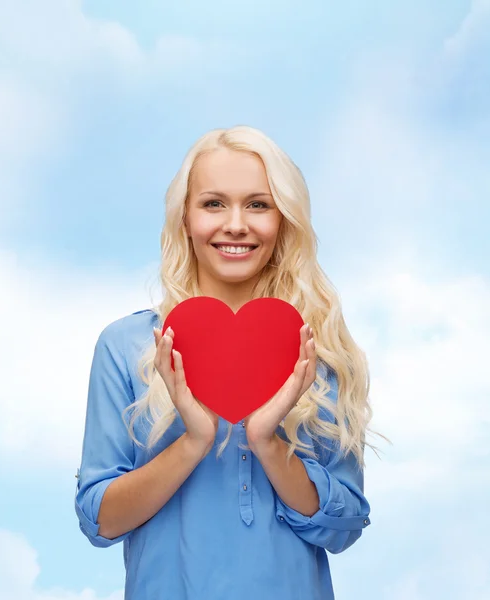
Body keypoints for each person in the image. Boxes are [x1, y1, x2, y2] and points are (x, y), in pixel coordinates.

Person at [75, 125, 379, 599]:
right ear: (185, 219)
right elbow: (100, 520)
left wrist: (266, 442)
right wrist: (196, 440)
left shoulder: (317, 350)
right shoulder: (126, 346)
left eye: (258, 204)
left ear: (283, 222)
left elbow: (344, 527)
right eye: (213, 203)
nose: (236, 224)